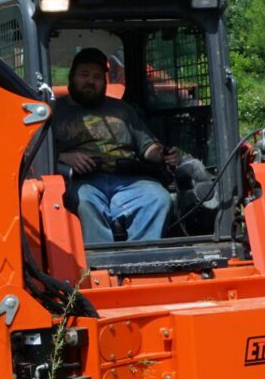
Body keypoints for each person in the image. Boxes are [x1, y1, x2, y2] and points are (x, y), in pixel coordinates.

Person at [50, 46, 176, 243]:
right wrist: (64, 157)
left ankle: (142, 258)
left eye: (97, 77)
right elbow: (35, 153)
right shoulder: (54, 112)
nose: (90, 81)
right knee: (85, 202)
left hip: (128, 180)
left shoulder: (122, 109)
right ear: (72, 77)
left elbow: (147, 147)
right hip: (83, 181)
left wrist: (162, 153)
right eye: (84, 74)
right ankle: (100, 265)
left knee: (158, 198)